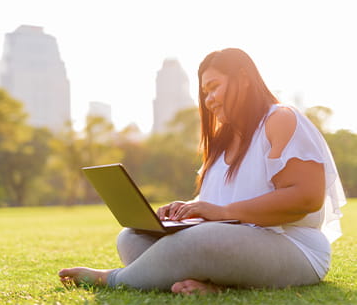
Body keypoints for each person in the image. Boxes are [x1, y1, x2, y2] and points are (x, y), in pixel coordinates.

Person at [59, 48, 346, 295]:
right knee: (131, 237)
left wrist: (222, 213)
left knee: (197, 242)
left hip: (293, 248)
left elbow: (306, 198)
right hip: (231, 241)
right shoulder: (222, 141)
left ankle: (112, 279)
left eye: (214, 87)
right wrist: (189, 208)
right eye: (205, 92)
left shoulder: (280, 119)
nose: (208, 100)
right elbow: (216, 202)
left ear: (243, 80)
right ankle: (215, 284)